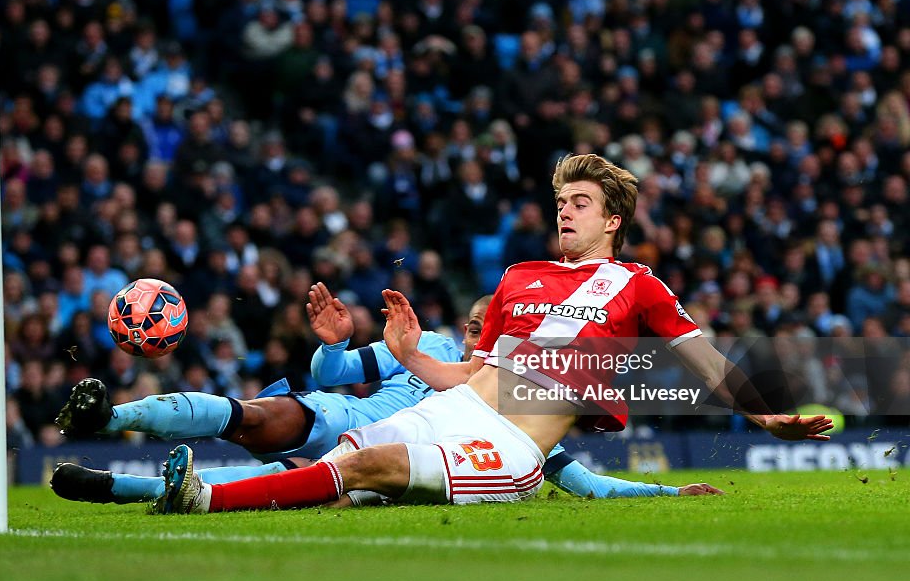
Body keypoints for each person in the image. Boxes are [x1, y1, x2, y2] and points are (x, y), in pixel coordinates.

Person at [159, 154, 832, 514]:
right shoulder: (520, 276)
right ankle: (168, 489)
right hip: (456, 405)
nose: (565, 211)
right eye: (562, 201)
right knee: (340, 461)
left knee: (364, 468)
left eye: (581, 203)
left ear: (614, 219)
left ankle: (201, 498)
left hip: (511, 444)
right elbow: (467, 373)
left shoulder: (637, 285)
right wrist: (408, 354)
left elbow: (707, 359)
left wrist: (763, 413)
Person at [52, 284, 718, 504]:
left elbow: (579, 474)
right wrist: (337, 342)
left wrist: (661, 491)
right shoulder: (428, 355)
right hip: (341, 415)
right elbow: (333, 371)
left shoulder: (516, 391)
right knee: (252, 414)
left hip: (383, 446)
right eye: (476, 325)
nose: (477, 333)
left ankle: (113, 484)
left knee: (266, 472)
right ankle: (112, 415)